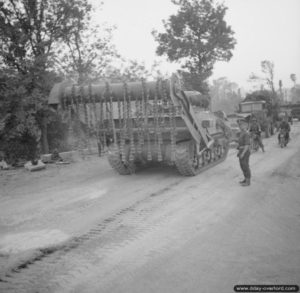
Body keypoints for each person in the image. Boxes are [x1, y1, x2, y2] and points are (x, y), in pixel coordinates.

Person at [237, 119, 251, 186]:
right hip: (241, 151)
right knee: (242, 166)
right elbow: (241, 143)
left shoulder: (246, 133)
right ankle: (245, 179)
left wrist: (242, 153)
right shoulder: (241, 133)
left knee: (245, 166)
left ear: (245, 125)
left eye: (241, 124)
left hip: (245, 152)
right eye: (239, 125)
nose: (240, 126)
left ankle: (248, 182)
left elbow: (247, 145)